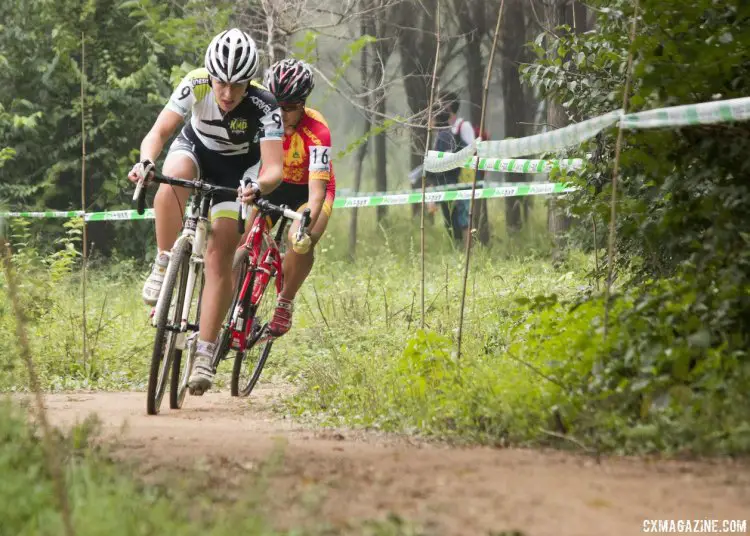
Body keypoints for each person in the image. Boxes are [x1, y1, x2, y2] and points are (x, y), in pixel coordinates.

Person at [127, 28, 284, 395]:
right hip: (195, 151)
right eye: (221, 83)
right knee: (171, 180)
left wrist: (258, 187)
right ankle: (165, 261)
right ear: (209, 75)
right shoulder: (195, 83)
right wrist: (147, 161)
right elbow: (158, 133)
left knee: (219, 254)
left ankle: (204, 352)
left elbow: (274, 168)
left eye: (237, 85)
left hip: (238, 172)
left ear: (250, 82)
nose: (227, 94)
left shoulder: (265, 105)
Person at [243, 58, 336, 339]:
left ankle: (285, 301)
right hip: (274, 186)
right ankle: (242, 306)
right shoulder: (259, 118)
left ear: (303, 103)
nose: (281, 114)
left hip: (309, 191)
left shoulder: (317, 130)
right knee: (240, 241)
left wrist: (306, 221)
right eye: (276, 105)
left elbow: (317, 193)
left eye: (290, 108)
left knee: (300, 240)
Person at [428, 90, 476, 248]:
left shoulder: (462, 127)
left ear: (448, 106)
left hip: (462, 180)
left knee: (463, 220)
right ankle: (460, 250)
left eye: (440, 103)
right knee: (453, 219)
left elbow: (471, 152)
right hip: (448, 181)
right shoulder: (445, 132)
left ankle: (468, 253)